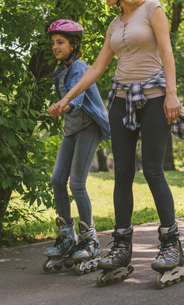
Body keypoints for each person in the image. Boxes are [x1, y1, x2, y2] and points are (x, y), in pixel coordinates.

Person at [48, 0, 184, 288]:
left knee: (153, 170)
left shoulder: (152, 8)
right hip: (120, 100)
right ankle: (121, 247)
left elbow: (167, 51)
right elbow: (97, 68)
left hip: (155, 96)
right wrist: (66, 99)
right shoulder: (115, 25)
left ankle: (171, 244)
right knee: (122, 173)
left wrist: (172, 94)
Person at [43, 19, 111, 275]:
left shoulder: (80, 67)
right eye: (53, 43)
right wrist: (60, 109)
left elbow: (77, 99)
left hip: (89, 126)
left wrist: (61, 107)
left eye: (60, 42)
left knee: (76, 183)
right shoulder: (59, 71)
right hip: (72, 128)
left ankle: (90, 241)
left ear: (73, 44)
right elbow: (65, 101)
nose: (55, 47)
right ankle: (66, 238)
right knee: (57, 179)